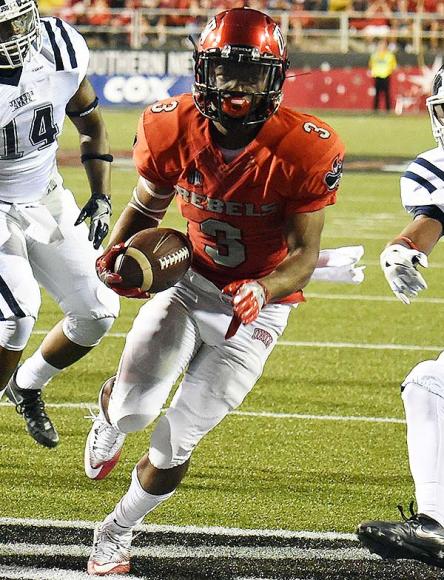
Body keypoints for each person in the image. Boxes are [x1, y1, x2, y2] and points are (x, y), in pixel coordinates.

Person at [84, 8, 345, 576]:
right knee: (133, 414)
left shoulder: (305, 147)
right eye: (226, 70)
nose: (236, 86)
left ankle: (117, 529)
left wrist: (265, 287)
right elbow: (147, 202)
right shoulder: (169, 124)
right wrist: (117, 248)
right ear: (203, 69)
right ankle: (109, 412)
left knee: (173, 443)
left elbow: (303, 255)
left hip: (258, 309)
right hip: (188, 283)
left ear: (275, 79)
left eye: (251, 75)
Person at [0, 0, 120, 448]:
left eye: (16, 23)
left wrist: (102, 196)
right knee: (16, 315)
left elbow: (91, 125)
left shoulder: (58, 47)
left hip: (46, 196)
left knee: (97, 312)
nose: (12, 37)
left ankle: (26, 385)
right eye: (0, 29)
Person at [357, 66, 444, 569]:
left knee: (431, 385)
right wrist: (400, 249)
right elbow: (431, 218)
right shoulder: (435, 171)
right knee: (430, 385)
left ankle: (436, 524)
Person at [368, 37, 397, 112]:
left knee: (387, 93)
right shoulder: (374, 55)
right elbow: (371, 64)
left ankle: (388, 109)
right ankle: (375, 109)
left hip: (386, 75)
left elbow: (393, 66)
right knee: (377, 93)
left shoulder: (390, 55)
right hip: (377, 76)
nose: (381, 47)